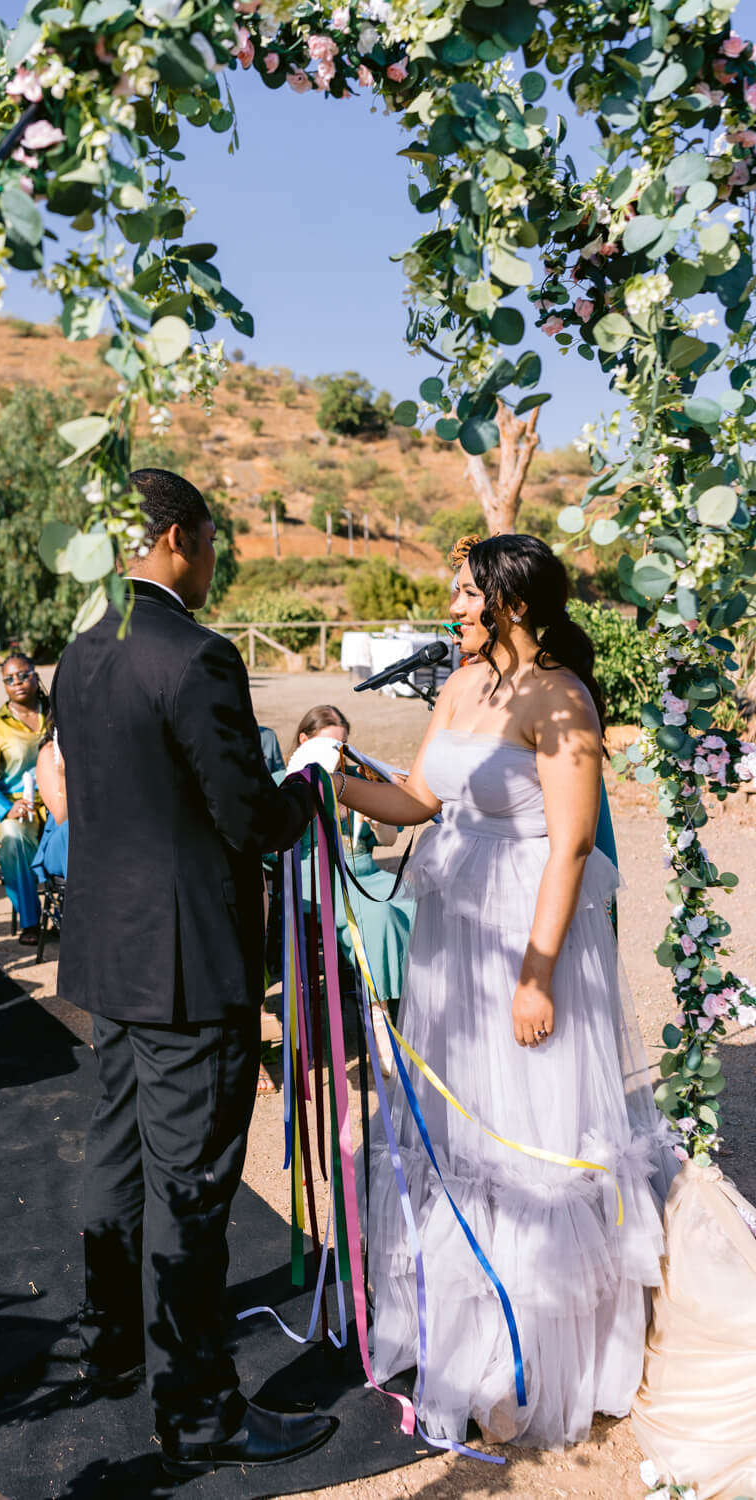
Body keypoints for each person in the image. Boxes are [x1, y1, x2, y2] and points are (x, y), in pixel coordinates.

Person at [334, 534, 674, 1449]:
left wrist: (537, 975)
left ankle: (534, 1359)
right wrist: (337, 772)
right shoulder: (462, 684)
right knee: (462, 1124)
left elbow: (569, 845)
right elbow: (416, 796)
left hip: (529, 932)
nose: (453, 604)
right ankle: (461, 1332)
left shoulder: (562, 699)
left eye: (466, 592)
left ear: (512, 603)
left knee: (528, 1134)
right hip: (457, 939)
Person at [50, 468, 337, 1475]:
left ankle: (108, 1350)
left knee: (114, 1159)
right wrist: (312, 781)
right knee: (192, 1190)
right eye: (212, 539)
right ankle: (202, 1412)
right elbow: (249, 820)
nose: (216, 559)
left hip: (107, 949)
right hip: (185, 962)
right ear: (176, 538)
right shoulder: (198, 655)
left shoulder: (79, 651)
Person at [284, 704, 415, 1025]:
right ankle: (380, 1015)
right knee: (378, 914)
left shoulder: (354, 779)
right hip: (318, 877)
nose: (337, 756)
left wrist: (376, 820)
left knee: (420, 901)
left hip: (366, 871)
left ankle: (421, 998)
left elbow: (387, 841)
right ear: (305, 741)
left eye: (342, 747)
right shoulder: (286, 781)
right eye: (329, 746)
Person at [0, 653, 48, 945]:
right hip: (16, 803)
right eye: (9, 678)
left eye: (23, 675)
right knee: (15, 839)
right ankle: (31, 921)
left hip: (57, 800)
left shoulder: (55, 711)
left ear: (35, 674)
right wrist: (6, 808)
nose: (17, 682)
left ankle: (73, 915)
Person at [31, 723, 68, 886]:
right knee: (72, 829)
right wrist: (62, 774)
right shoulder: (50, 751)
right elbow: (62, 817)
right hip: (63, 837)